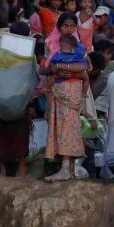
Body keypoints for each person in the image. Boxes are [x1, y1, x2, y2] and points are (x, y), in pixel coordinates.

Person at [43, 17, 89, 182]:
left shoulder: (79, 47)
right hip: (56, 90)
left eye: (72, 26)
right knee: (59, 126)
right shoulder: (51, 44)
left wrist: (65, 68)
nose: (69, 29)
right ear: (59, 27)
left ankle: (66, 168)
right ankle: (65, 168)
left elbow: (86, 68)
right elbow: (44, 68)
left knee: (68, 126)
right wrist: (55, 71)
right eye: (65, 26)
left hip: (73, 90)